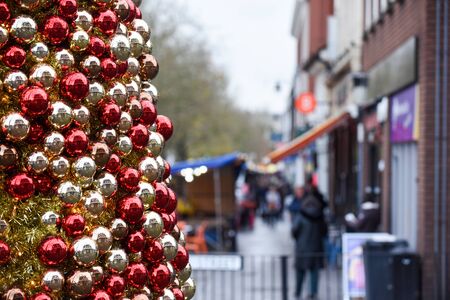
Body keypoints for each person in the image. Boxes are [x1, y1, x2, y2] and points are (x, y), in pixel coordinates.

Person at [291, 187, 328, 300]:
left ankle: (298, 291)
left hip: (302, 248)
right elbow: (324, 232)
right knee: (314, 272)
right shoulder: (320, 217)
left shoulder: (300, 216)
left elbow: (294, 231)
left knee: (300, 271)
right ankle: (313, 292)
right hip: (316, 247)